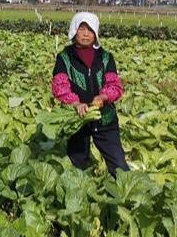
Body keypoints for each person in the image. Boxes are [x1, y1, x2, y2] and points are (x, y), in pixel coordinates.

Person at [51, 11, 129, 177]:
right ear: (74, 30)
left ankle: (128, 197)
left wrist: (103, 97)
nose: (86, 34)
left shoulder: (106, 58)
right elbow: (60, 87)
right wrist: (76, 104)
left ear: (96, 33)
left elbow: (114, 85)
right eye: (82, 28)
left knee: (119, 166)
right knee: (77, 166)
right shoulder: (64, 58)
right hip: (77, 121)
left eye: (90, 30)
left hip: (105, 119)